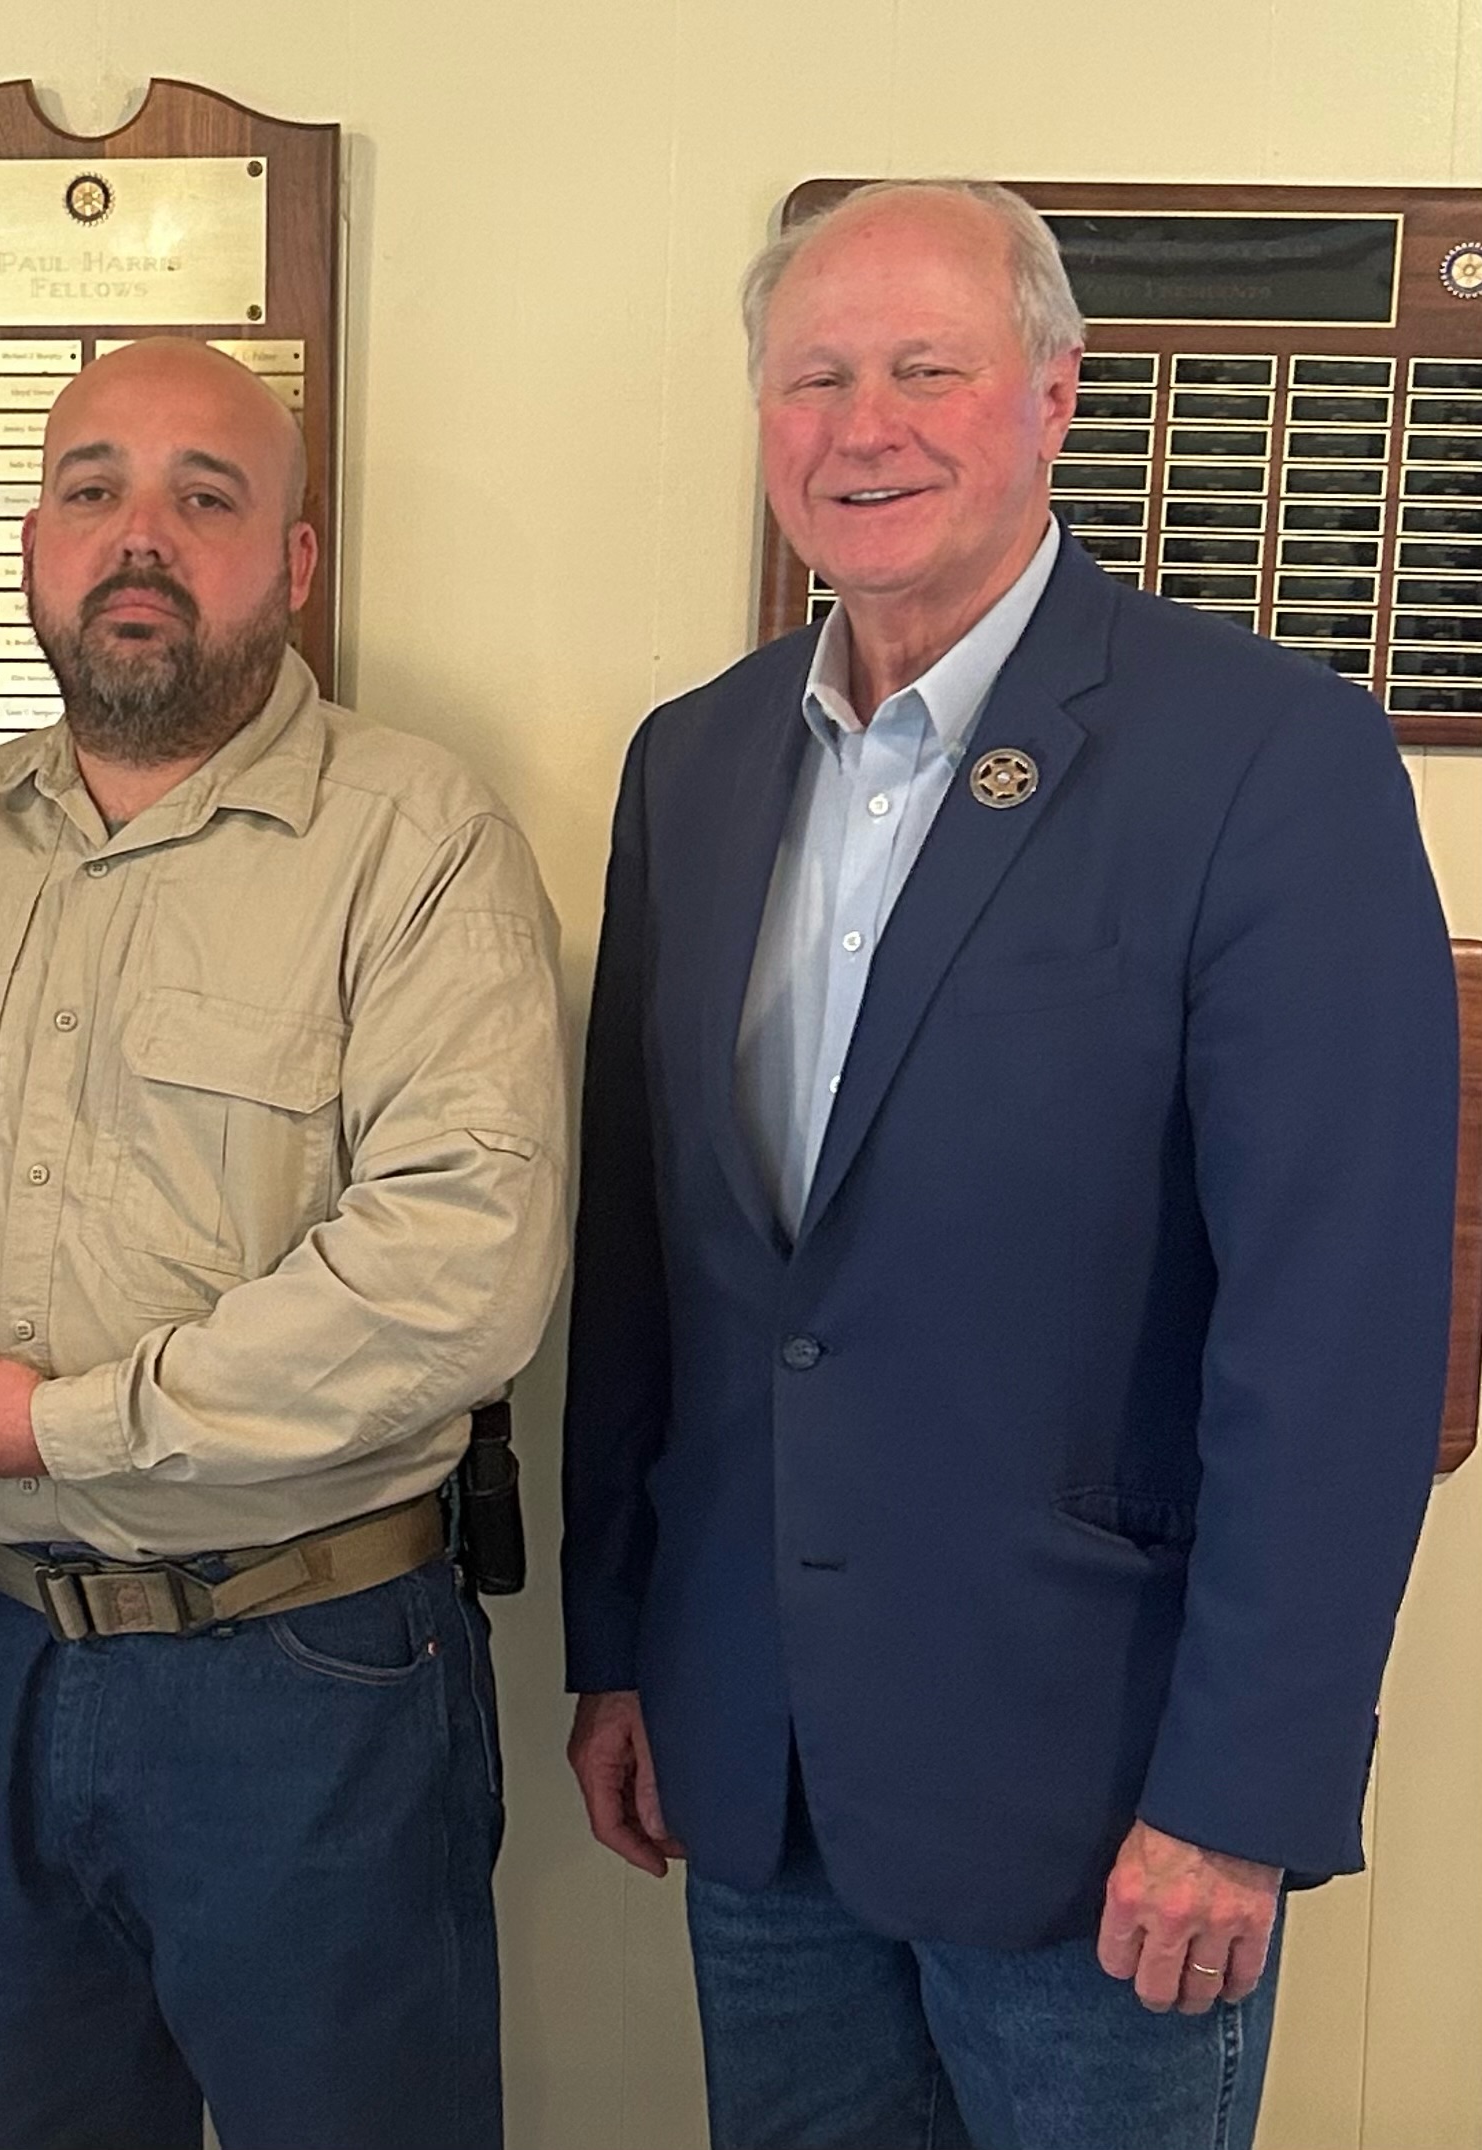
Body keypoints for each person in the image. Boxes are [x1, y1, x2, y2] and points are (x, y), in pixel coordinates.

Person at [560, 179, 1457, 2150]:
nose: (858, 423)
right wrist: (618, 1644)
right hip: (755, 1757)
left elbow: (1340, 1336)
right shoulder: (692, 764)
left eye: (921, 370)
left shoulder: (1264, 759)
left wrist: (1245, 1785)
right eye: (811, 376)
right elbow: (650, 1259)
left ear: (1051, 399)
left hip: (1105, 1801)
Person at [0, 336, 568, 2150]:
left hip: (306, 1675)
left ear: (294, 562)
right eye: (91, 490)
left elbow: (460, 1265)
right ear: (31, 546)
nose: (138, 536)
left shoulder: (416, 839)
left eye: (205, 496)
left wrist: (62, 1425)